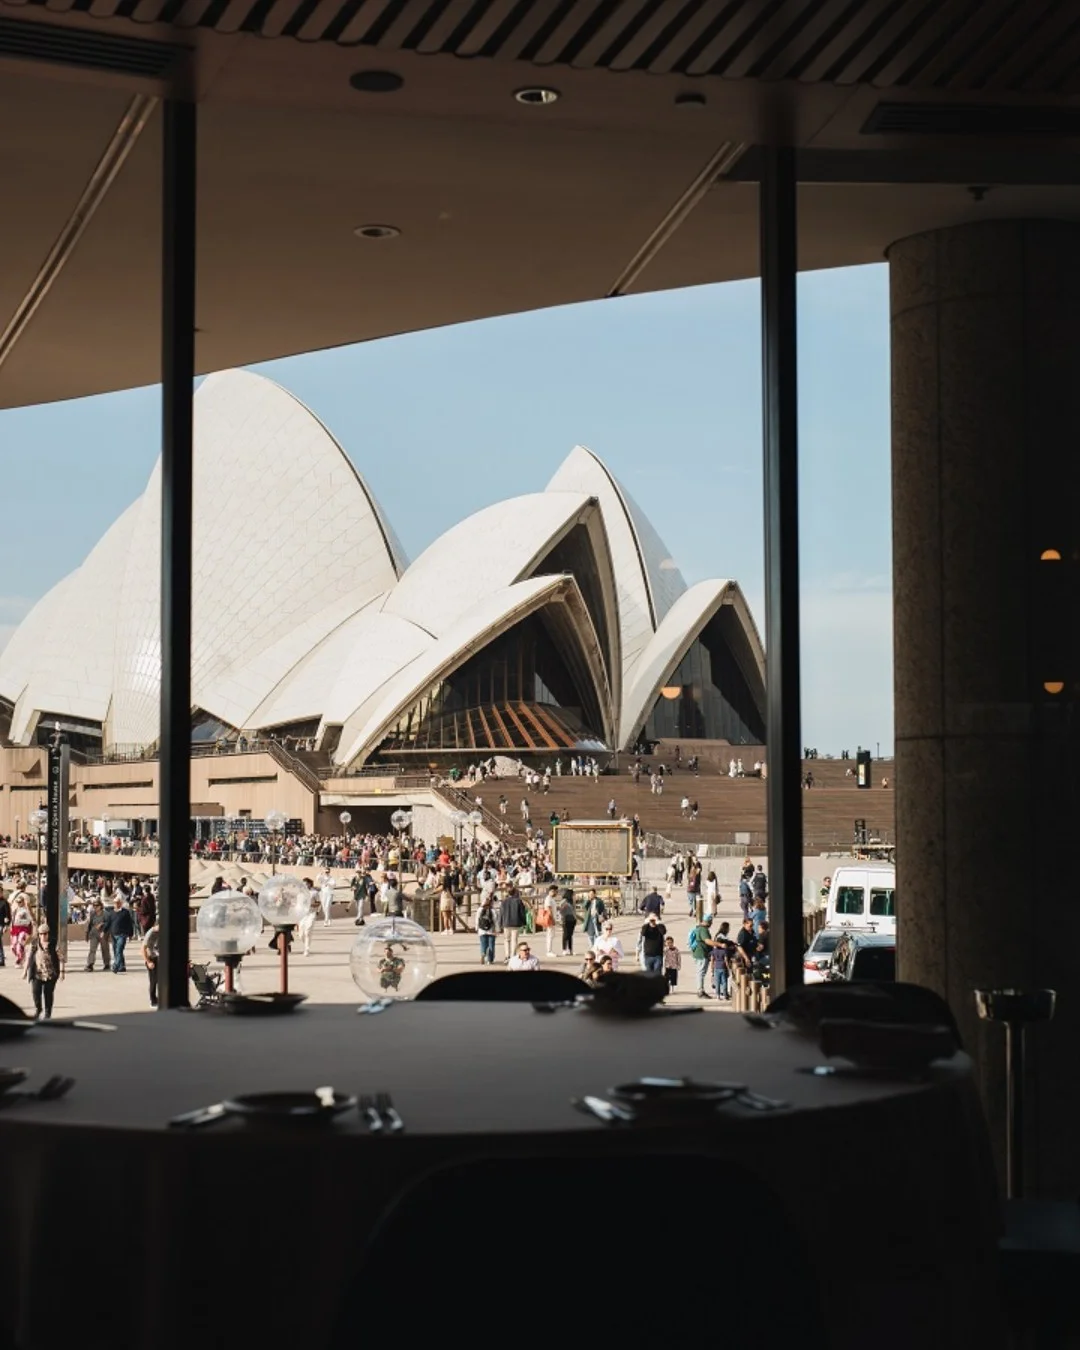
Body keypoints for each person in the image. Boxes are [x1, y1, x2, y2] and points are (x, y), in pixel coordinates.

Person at [23, 923, 63, 1019]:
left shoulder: (54, 943)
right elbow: (29, 957)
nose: (43, 936)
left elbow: (61, 958)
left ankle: (48, 1013)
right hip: (37, 973)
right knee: (35, 992)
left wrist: (62, 972)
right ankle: (38, 1009)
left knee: (48, 994)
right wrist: (24, 971)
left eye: (45, 934)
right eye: (40, 934)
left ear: (48, 933)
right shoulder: (35, 943)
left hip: (50, 973)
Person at [104, 894, 135, 972]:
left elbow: (130, 924)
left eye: (118, 902)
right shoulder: (111, 913)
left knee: (119, 950)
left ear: (121, 903)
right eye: (115, 902)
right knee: (116, 951)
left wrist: (131, 934)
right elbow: (108, 923)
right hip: (113, 935)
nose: (116, 904)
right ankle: (122, 966)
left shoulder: (125, 912)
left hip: (122, 934)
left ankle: (115, 966)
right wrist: (104, 931)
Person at [688, 915, 716, 998]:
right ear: (708, 921)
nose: (711, 923)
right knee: (701, 973)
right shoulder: (703, 930)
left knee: (699, 972)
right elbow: (707, 941)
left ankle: (700, 989)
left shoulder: (699, 928)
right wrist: (719, 944)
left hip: (698, 953)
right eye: (711, 921)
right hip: (701, 954)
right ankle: (700, 991)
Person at [500, 886, 528, 962]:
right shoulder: (518, 901)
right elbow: (522, 913)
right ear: (515, 892)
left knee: (506, 939)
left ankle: (507, 955)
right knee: (514, 940)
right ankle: (513, 955)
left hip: (506, 922)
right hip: (516, 922)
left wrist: (500, 923)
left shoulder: (504, 901)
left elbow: (501, 913)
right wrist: (524, 922)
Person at [84, 898, 110, 971]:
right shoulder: (92, 914)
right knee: (92, 949)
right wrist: (87, 934)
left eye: (97, 905)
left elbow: (108, 923)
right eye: (94, 905)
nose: (95, 907)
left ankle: (107, 964)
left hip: (103, 933)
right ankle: (90, 964)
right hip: (94, 933)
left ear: (101, 906)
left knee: (105, 949)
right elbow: (89, 924)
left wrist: (102, 924)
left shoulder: (106, 914)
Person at [8, 889, 33, 968]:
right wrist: (11, 927)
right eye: (18, 902)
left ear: (23, 902)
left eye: (20, 902)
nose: (19, 903)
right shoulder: (15, 910)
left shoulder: (26, 910)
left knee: (19, 943)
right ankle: (21, 955)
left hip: (23, 928)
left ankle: (19, 959)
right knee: (13, 946)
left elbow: (30, 919)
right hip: (15, 928)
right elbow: (12, 920)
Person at [711, 921, 733, 1000]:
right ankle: (725, 994)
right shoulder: (721, 937)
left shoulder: (718, 936)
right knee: (724, 981)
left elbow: (712, 958)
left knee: (718, 980)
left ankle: (718, 995)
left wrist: (711, 968)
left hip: (716, 966)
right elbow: (726, 959)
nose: (729, 929)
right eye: (728, 928)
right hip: (723, 965)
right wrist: (728, 967)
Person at [142, 918, 160, 1007]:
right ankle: (153, 1001)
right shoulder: (150, 933)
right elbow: (143, 949)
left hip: (159, 958)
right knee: (154, 980)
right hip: (151, 959)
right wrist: (148, 962)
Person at [536, 885, 558, 956]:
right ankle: (549, 951)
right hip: (549, 918)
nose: (556, 893)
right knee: (550, 934)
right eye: (555, 891)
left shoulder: (552, 898)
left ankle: (550, 950)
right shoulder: (548, 898)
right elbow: (549, 909)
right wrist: (553, 919)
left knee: (551, 934)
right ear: (552, 891)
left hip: (552, 918)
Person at [476, 894, 497, 965]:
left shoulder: (479, 909)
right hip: (491, 930)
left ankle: (483, 953)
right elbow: (495, 921)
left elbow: (477, 920)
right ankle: (490, 960)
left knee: (483, 944)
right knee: (491, 945)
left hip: (481, 930)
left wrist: (477, 928)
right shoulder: (493, 910)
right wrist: (497, 929)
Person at [558, 889, 577, 956]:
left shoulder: (572, 901)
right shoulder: (564, 901)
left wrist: (575, 918)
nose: (574, 895)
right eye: (573, 894)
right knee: (565, 935)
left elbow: (574, 911)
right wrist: (561, 918)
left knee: (570, 935)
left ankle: (570, 949)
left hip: (572, 919)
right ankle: (564, 949)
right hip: (566, 919)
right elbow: (559, 909)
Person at [0, 886, 9, 968]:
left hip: (1, 924)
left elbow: (7, 915)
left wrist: (6, 925)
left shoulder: (5, 902)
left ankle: (1, 959)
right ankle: (1, 959)